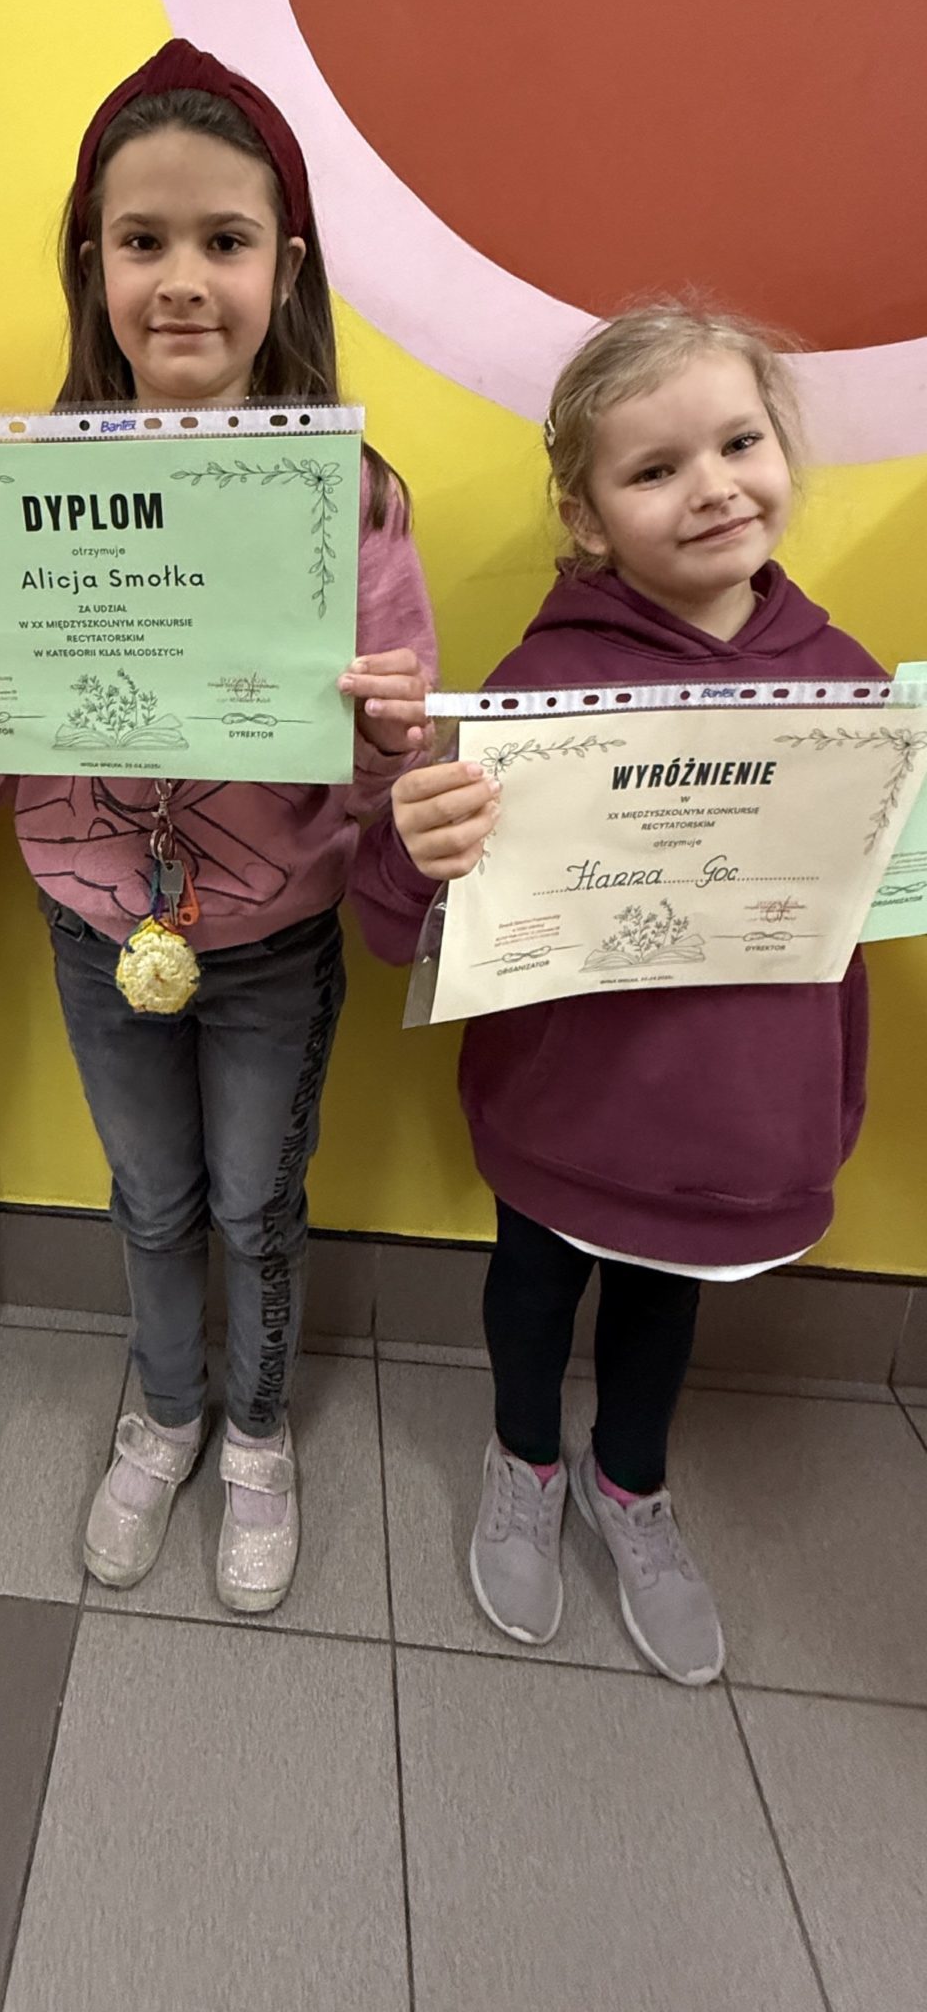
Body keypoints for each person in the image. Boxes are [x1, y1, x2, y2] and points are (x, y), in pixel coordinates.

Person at [0, 38, 434, 1612]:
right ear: (90, 264)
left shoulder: (355, 505)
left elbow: (387, 783)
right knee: (151, 1199)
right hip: (98, 935)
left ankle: (257, 1434)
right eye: (141, 240)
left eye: (225, 240)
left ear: (286, 267)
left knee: (256, 1205)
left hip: (274, 944)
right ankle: (164, 1410)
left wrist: (387, 748)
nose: (182, 281)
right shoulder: (9, 504)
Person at [361, 299, 880, 1685]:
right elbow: (404, 922)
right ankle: (523, 1459)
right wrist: (413, 847)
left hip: (731, 1126)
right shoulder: (540, 691)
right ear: (585, 518)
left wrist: (830, 1100)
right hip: (566, 1112)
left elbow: (857, 930)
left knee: (666, 1306)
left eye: (739, 443)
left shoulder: (851, 692)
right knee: (533, 1291)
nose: (712, 487)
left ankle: (630, 1486)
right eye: (656, 468)